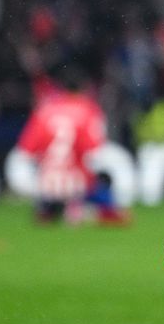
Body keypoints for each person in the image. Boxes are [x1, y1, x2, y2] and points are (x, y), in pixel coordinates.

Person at [16, 68, 126, 225]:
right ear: (84, 88)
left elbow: (26, 150)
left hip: (47, 185)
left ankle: (52, 208)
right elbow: (95, 152)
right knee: (110, 203)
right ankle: (80, 209)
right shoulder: (88, 110)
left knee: (46, 208)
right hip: (78, 184)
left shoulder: (45, 110)